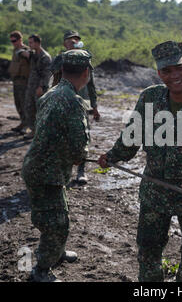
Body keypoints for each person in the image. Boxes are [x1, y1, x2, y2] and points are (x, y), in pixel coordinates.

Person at [98, 40, 182, 282]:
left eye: (179, 68)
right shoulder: (149, 99)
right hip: (154, 192)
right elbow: (131, 138)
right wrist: (111, 157)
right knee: (148, 253)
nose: (174, 76)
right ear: (159, 73)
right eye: (166, 71)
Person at [22, 50, 92, 282]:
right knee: (56, 224)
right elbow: (78, 147)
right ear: (86, 72)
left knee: (60, 213)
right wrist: (82, 156)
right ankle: (41, 270)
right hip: (46, 173)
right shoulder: (73, 101)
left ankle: (58, 253)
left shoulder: (52, 93)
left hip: (43, 168)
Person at [50, 30, 100, 184]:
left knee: (81, 136)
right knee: (60, 136)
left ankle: (81, 171)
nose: (74, 43)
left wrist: (95, 106)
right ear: (65, 43)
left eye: (77, 41)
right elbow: (53, 74)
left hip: (81, 103)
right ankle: (61, 171)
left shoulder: (85, 60)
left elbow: (91, 85)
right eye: (71, 41)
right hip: (61, 102)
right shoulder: (60, 59)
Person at [20, 34, 52, 139]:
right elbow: (25, 53)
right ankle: (34, 130)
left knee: (40, 110)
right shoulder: (33, 54)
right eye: (28, 42)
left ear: (37, 43)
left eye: (31, 42)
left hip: (39, 87)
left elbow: (47, 74)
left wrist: (42, 87)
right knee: (29, 107)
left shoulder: (45, 57)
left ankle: (41, 132)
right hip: (31, 86)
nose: (29, 45)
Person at [8, 31, 30, 133]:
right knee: (18, 103)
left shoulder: (25, 50)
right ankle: (22, 122)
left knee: (24, 103)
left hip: (24, 81)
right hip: (16, 81)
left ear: (20, 39)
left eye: (14, 40)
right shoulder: (15, 50)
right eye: (11, 41)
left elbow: (31, 59)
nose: (13, 43)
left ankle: (27, 125)